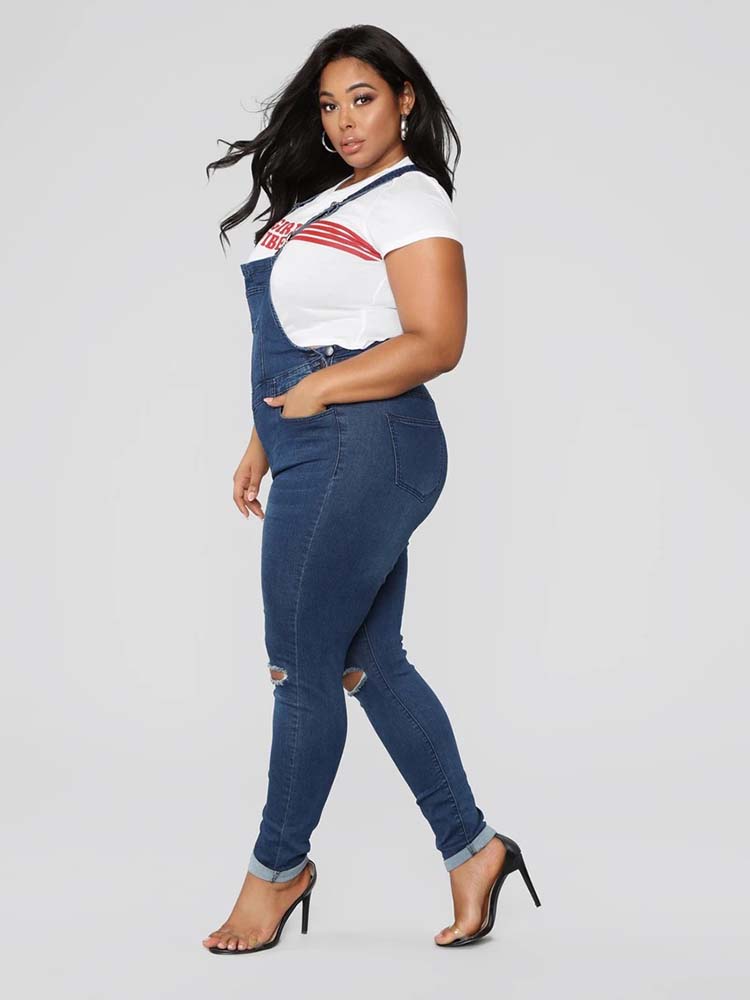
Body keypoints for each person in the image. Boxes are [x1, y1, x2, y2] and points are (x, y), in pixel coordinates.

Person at [202, 24, 541, 955]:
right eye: (328, 105)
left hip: (364, 441)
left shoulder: (411, 197)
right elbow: (315, 332)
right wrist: (265, 437)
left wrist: (314, 396)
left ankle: (276, 872)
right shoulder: (328, 199)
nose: (344, 120)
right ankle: (474, 850)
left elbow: (437, 339)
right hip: (320, 443)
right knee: (367, 663)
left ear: (405, 101)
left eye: (362, 98)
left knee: (298, 667)